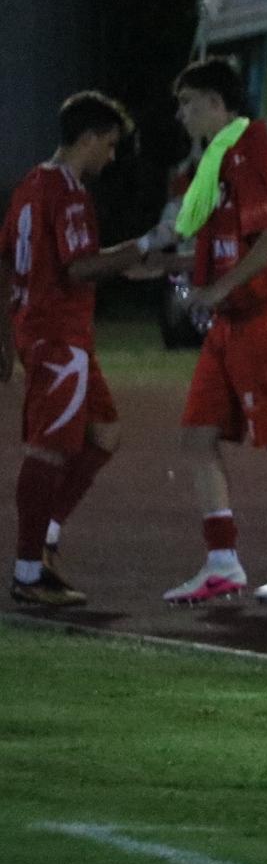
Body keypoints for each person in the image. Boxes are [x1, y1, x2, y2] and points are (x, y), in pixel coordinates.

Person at [3, 92, 173, 607]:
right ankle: (29, 572)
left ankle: (46, 538)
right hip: (58, 336)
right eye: (110, 144)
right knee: (48, 449)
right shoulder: (69, 192)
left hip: (48, 331)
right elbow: (79, 269)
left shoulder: (31, 184)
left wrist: (7, 336)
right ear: (88, 138)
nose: (112, 155)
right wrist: (145, 243)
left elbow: (10, 260)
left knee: (104, 433)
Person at [163, 58, 267, 606]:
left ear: (215, 103)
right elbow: (226, 244)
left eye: (188, 103)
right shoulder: (215, 161)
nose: (181, 115)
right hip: (230, 323)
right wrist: (167, 265)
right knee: (197, 436)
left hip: (260, 318)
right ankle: (222, 563)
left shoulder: (247, 147)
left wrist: (215, 290)